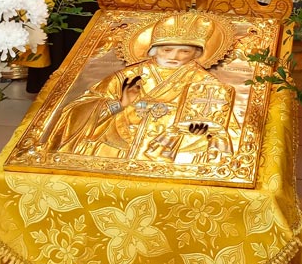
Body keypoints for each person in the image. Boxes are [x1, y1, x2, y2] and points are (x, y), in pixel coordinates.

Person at [45, 12, 239, 164]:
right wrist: (120, 104)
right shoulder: (127, 76)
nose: (175, 56)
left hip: (171, 153)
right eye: (167, 49)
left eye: (184, 51)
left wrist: (201, 129)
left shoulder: (206, 82)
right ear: (154, 50)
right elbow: (76, 110)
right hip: (116, 148)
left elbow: (225, 126)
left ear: (196, 53)